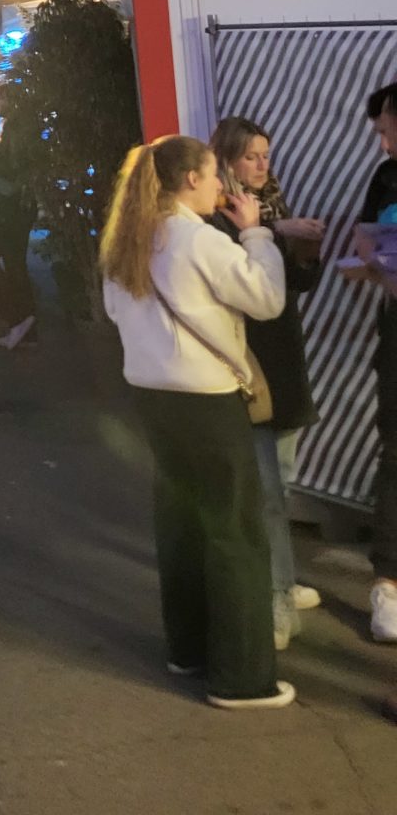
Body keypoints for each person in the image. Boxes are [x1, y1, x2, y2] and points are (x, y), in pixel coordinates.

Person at [100, 133, 291, 709]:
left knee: (180, 524)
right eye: (212, 177)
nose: (218, 187)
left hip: (152, 396)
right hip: (206, 399)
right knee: (234, 532)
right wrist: (256, 233)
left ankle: (188, 650)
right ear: (189, 180)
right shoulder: (197, 239)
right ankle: (240, 677)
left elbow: (115, 311)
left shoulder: (124, 239)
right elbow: (266, 299)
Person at [210, 117, 324, 651]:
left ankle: (281, 579)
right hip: (248, 362)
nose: (263, 165)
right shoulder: (214, 214)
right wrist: (276, 234)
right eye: (252, 156)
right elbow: (234, 270)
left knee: (281, 477)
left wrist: (308, 252)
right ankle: (275, 597)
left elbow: (296, 287)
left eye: (266, 155)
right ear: (227, 160)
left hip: (284, 357)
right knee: (266, 494)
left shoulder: (271, 206)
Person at [352, 82, 397, 646]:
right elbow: (364, 233)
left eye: (387, 130)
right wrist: (380, 264)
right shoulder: (385, 176)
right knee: (395, 453)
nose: (383, 145)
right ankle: (388, 582)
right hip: (396, 336)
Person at [0, 81, 39, 350]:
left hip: (14, 206)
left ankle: (19, 316)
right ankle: (23, 320)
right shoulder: (21, 125)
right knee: (13, 260)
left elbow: (15, 169)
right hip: (19, 205)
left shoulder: (16, 128)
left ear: (10, 100)